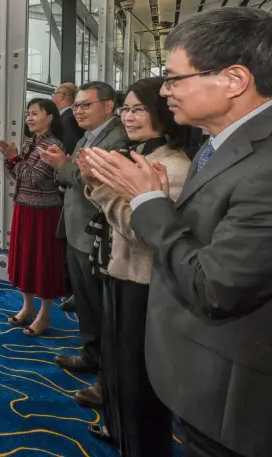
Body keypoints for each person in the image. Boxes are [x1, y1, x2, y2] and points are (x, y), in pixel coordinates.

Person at [81, 7, 272, 457]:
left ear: (234, 80)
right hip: (210, 384)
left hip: (247, 411)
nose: (165, 91)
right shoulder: (227, 145)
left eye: (174, 78)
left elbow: (214, 286)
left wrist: (148, 200)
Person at [78, 77, 191, 454]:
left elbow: (143, 231)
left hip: (143, 283)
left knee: (138, 378)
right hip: (122, 272)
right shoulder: (143, 156)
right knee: (120, 367)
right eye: (126, 109)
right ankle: (121, 431)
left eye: (138, 108)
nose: (128, 116)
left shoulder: (170, 167)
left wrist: (101, 187)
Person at [38, 81, 128, 409]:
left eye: (85, 105)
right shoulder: (90, 136)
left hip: (96, 235)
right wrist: (63, 166)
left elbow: (92, 183)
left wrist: (62, 164)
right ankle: (91, 355)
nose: (77, 111)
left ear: (108, 105)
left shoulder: (117, 139)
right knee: (87, 305)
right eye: (75, 106)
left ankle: (109, 373)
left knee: (104, 308)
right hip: (77, 231)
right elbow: (71, 178)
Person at [0, 98, 67, 337]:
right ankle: (27, 307)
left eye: (35, 113)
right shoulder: (31, 141)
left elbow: (33, 177)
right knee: (25, 259)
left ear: (50, 117)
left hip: (44, 212)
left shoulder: (53, 146)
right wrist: (12, 159)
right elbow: (17, 175)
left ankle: (44, 314)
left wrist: (14, 158)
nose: (30, 118)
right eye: (28, 113)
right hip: (24, 207)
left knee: (43, 262)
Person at [52, 82, 85, 311]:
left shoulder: (67, 121)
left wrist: (63, 173)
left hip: (72, 188)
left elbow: (70, 156)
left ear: (61, 96)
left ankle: (69, 288)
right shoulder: (71, 121)